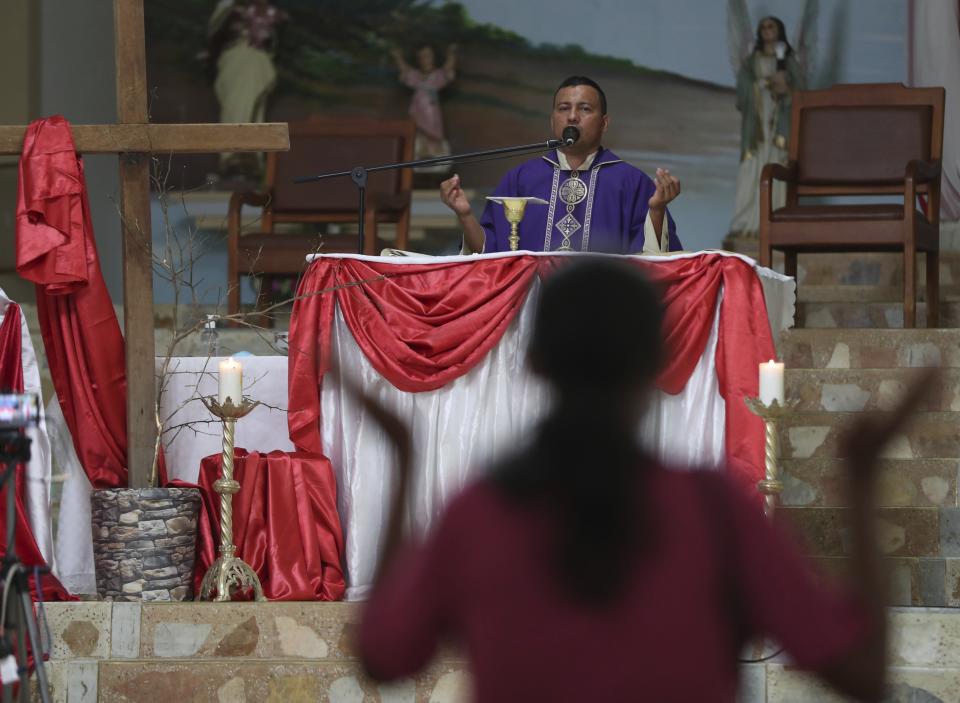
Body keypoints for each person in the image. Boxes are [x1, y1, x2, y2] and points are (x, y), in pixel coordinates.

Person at [356, 257, 927, 702]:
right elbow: (862, 675)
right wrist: (860, 482)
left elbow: (382, 656)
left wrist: (402, 461)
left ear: (533, 363)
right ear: (655, 363)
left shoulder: (482, 512)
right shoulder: (711, 509)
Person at [441, 76, 682, 255]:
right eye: (563, 108)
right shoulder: (521, 179)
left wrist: (657, 211)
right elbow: (488, 256)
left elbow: (655, 263)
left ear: (604, 123)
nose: (572, 117)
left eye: (585, 109)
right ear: (552, 119)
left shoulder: (630, 182)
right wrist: (465, 215)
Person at [729, 16, 804, 237]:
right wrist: (761, 85)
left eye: (771, 26)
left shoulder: (789, 61)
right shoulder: (752, 62)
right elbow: (742, 91)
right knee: (751, 170)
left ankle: (776, 220)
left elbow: (801, 94)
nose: (766, 31)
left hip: (779, 123)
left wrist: (786, 89)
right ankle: (746, 222)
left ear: (779, 30)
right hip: (756, 126)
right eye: (763, 27)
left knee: (777, 164)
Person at [206, 0, 288, 174]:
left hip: (258, 60)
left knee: (255, 110)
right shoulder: (229, 7)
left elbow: (273, 39)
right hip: (238, 58)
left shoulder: (267, 10)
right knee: (237, 107)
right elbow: (216, 31)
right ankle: (233, 156)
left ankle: (251, 158)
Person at [390, 44, 458, 162]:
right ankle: (418, 157)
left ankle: (434, 158)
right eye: (421, 57)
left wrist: (451, 54)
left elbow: (447, 69)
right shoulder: (416, 75)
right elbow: (405, 70)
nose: (424, 59)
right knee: (418, 135)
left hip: (431, 112)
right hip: (417, 111)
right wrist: (398, 57)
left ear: (433, 58)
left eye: (427, 56)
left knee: (433, 134)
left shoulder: (437, 76)